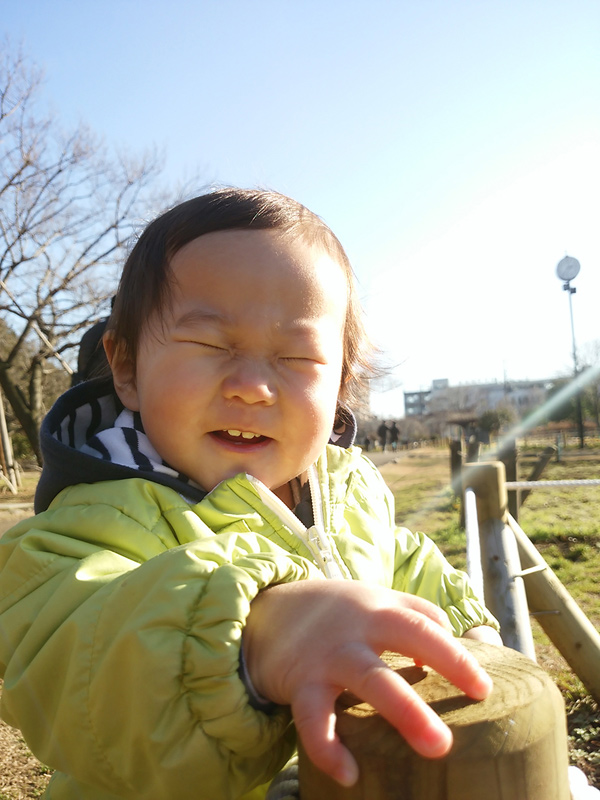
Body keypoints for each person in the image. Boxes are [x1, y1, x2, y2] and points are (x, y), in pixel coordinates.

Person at [0, 189, 501, 800]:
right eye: (211, 345)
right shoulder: (95, 521)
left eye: (296, 356)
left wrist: (464, 629)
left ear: (340, 384)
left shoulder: (348, 487)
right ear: (126, 366)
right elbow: (60, 654)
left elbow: (397, 558)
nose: (252, 387)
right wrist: (255, 641)